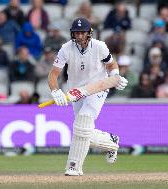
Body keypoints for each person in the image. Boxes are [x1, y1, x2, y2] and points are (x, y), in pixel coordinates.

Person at [47, 18, 128, 176]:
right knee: (81, 130)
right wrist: (55, 91)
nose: (79, 36)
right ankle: (111, 142)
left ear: (89, 33)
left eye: (82, 32)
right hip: (76, 91)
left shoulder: (99, 46)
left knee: (83, 120)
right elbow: (53, 74)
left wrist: (115, 76)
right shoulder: (66, 49)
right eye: (76, 32)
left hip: (97, 87)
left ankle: (74, 167)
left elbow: (112, 65)